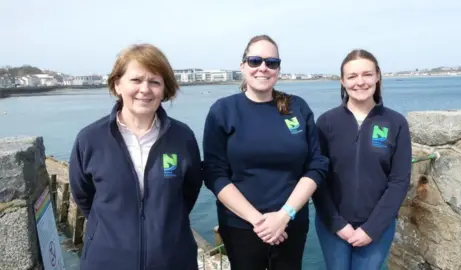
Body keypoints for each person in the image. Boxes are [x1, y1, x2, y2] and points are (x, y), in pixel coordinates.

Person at [69, 43, 203, 270]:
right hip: (106, 262)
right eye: (136, 80)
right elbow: (84, 196)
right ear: (117, 85)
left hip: (173, 261)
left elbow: (189, 190)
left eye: (155, 82)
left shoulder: (183, 138)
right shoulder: (90, 139)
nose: (145, 89)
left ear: (164, 89)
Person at [202, 34, 329, 270]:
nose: (263, 68)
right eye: (255, 61)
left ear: (278, 69)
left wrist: (283, 216)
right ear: (243, 66)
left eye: (271, 62)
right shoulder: (223, 111)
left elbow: (317, 165)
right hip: (241, 226)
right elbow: (214, 173)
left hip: (290, 223)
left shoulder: (296, 107)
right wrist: (259, 221)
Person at [312, 49, 412, 270]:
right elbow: (317, 177)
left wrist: (372, 228)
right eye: (352, 76)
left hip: (377, 227)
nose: (360, 82)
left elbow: (399, 181)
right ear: (343, 81)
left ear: (377, 76)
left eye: (367, 74)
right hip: (333, 226)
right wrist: (338, 224)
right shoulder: (326, 123)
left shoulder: (395, 123)